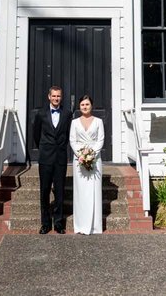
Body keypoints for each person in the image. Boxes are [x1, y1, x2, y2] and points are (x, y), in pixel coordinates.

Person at [32, 85, 70, 234]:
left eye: (58, 96)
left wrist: (60, 147)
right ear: (49, 97)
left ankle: (59, 223)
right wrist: (45, 148)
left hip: (60, 157)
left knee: (60, 191)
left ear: (61, 97)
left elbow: (67, 134)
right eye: (53, 96)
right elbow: (36, 135)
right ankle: (45, 223)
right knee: (45, 190)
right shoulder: (41, 114)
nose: (56, 98)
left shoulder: (67, 113)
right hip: (46, 158)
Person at [69, 94, 104, 235]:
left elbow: (100, 140)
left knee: (94, 191)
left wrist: (91, 154)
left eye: (87, 104)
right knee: (81, 191)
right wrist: (82, 155)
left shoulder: (98, 122)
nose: (85, 107)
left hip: (94, 160)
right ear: (79, 106)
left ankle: (94, 226)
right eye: (82, 104)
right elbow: (73, 140)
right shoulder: (74, 122)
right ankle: (81, 224)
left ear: (91, 106)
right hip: (79, 160)